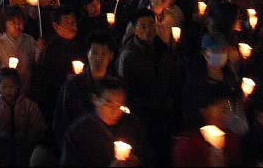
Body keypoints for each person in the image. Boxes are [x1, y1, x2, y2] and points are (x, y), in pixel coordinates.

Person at [117, 9, 183, 166]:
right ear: (135, 29)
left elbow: (173, 76)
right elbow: (126, 89)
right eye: (143, 26)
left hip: (165, 113)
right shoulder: (129, 56)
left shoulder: (162, 48)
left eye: (151, 25)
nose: (148, 30)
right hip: (143, 116)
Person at [60, 78, 152, 167]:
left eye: (120, 105)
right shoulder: (79, 132)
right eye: (108, 104)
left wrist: (136, 162)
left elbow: (148, 157)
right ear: (95, 99)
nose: (114, 111)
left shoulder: (133, 125)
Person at [52, 31, 117, 152]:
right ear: (88, 54)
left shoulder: (116, 88)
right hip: (77, 147)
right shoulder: (72, 86)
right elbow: (61, 123)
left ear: (111, 56)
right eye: (95, 52)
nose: (99, 58)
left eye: (104, 54)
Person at [0, 68, 47, 167]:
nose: (8, 91)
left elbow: (39, 127)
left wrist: (26, 138)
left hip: (23, 156)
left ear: (18, 86)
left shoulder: (30, 106)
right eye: (4, 87)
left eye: (11, 87)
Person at [172, 83, 241, 167]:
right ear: (204, 110)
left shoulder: (232, 138)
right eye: (222, 109)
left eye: (228, 110)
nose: (225, 115)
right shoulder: (188, 142)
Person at [0, 5, 38, 98]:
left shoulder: (29, 41)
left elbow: (37, 61)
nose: (17, 25)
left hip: (25, 90)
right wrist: (4, 77)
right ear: (5, 24)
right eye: (13, 22)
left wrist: (40, 49)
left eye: (20, 22)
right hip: (4, 93)